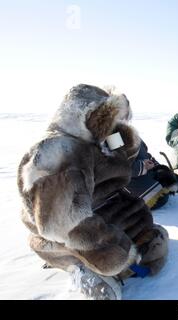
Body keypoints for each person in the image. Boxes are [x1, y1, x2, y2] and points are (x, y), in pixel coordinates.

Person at [17, 84, 169, 299]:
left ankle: (113, 262)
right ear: (91, 115)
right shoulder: (57, 151)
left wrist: (124, 139)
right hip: (66, 231)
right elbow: (64, 223)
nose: (116, 125)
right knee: (114, 266)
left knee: (154, 248)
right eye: (110, 118)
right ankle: (77, 267)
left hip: (102, 211)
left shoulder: (99, 140)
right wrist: (113, 252)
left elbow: (124, 164)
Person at [125, 139, 178, 210]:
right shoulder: (111, 139)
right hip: (143, 196)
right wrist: (142, 166)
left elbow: (146, 156)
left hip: (158, 192)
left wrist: (162, 170)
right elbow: (118, 168)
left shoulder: (131, 134)